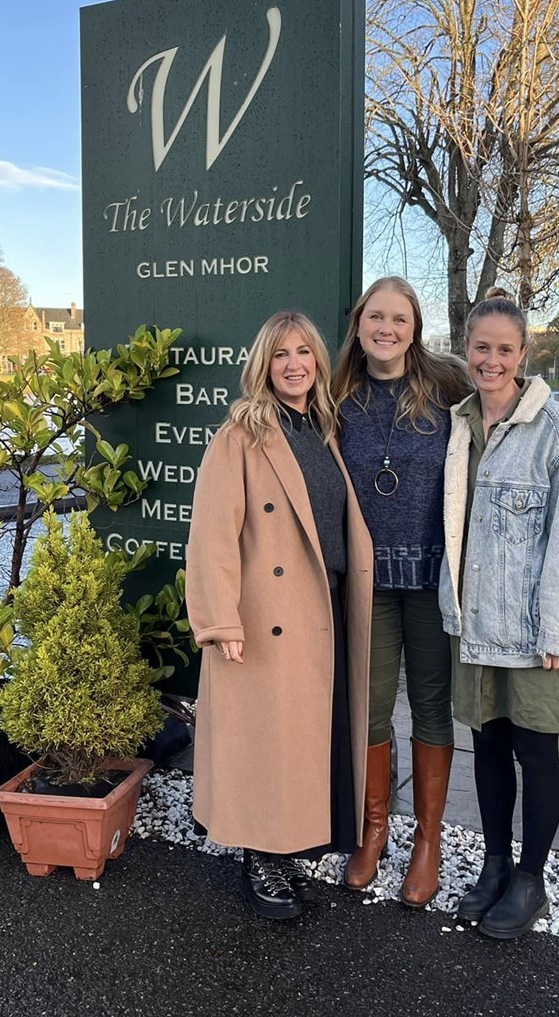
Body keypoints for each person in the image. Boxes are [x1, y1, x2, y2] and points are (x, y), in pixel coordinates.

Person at [187, 311, 374, 920]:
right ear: (262, 366)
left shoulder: (322, 428)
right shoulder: (240, 436)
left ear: (318, 360)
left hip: (325, 607)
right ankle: (262, 856)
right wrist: (219, 622)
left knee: (304, 742)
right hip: (268, 615)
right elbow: (212, 536)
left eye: (303, 352)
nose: (294, 364)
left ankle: (291, 844)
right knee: (269, 742)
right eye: (280, 355)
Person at [440, 296, 559, 940]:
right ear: (468, 347)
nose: (491, 360)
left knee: (536, 753)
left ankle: (530, 877)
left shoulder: (556, 431)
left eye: (505, 349)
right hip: (476, 623)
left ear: (523, 356)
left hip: (535, 631)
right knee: (487, 749)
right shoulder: (458, 425)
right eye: (482, 347)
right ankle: (495, 864)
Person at [332, 276, 472, 907]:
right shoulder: (336, 395)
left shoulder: (447, 387)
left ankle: (428, 841)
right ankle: (374, 830)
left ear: (415, 328)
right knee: (370, 709)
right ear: (359, 323)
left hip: (433, 581)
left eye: (400, 319)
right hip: (369, 583)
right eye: (375, 317)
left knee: (433, 708)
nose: (386, 329)